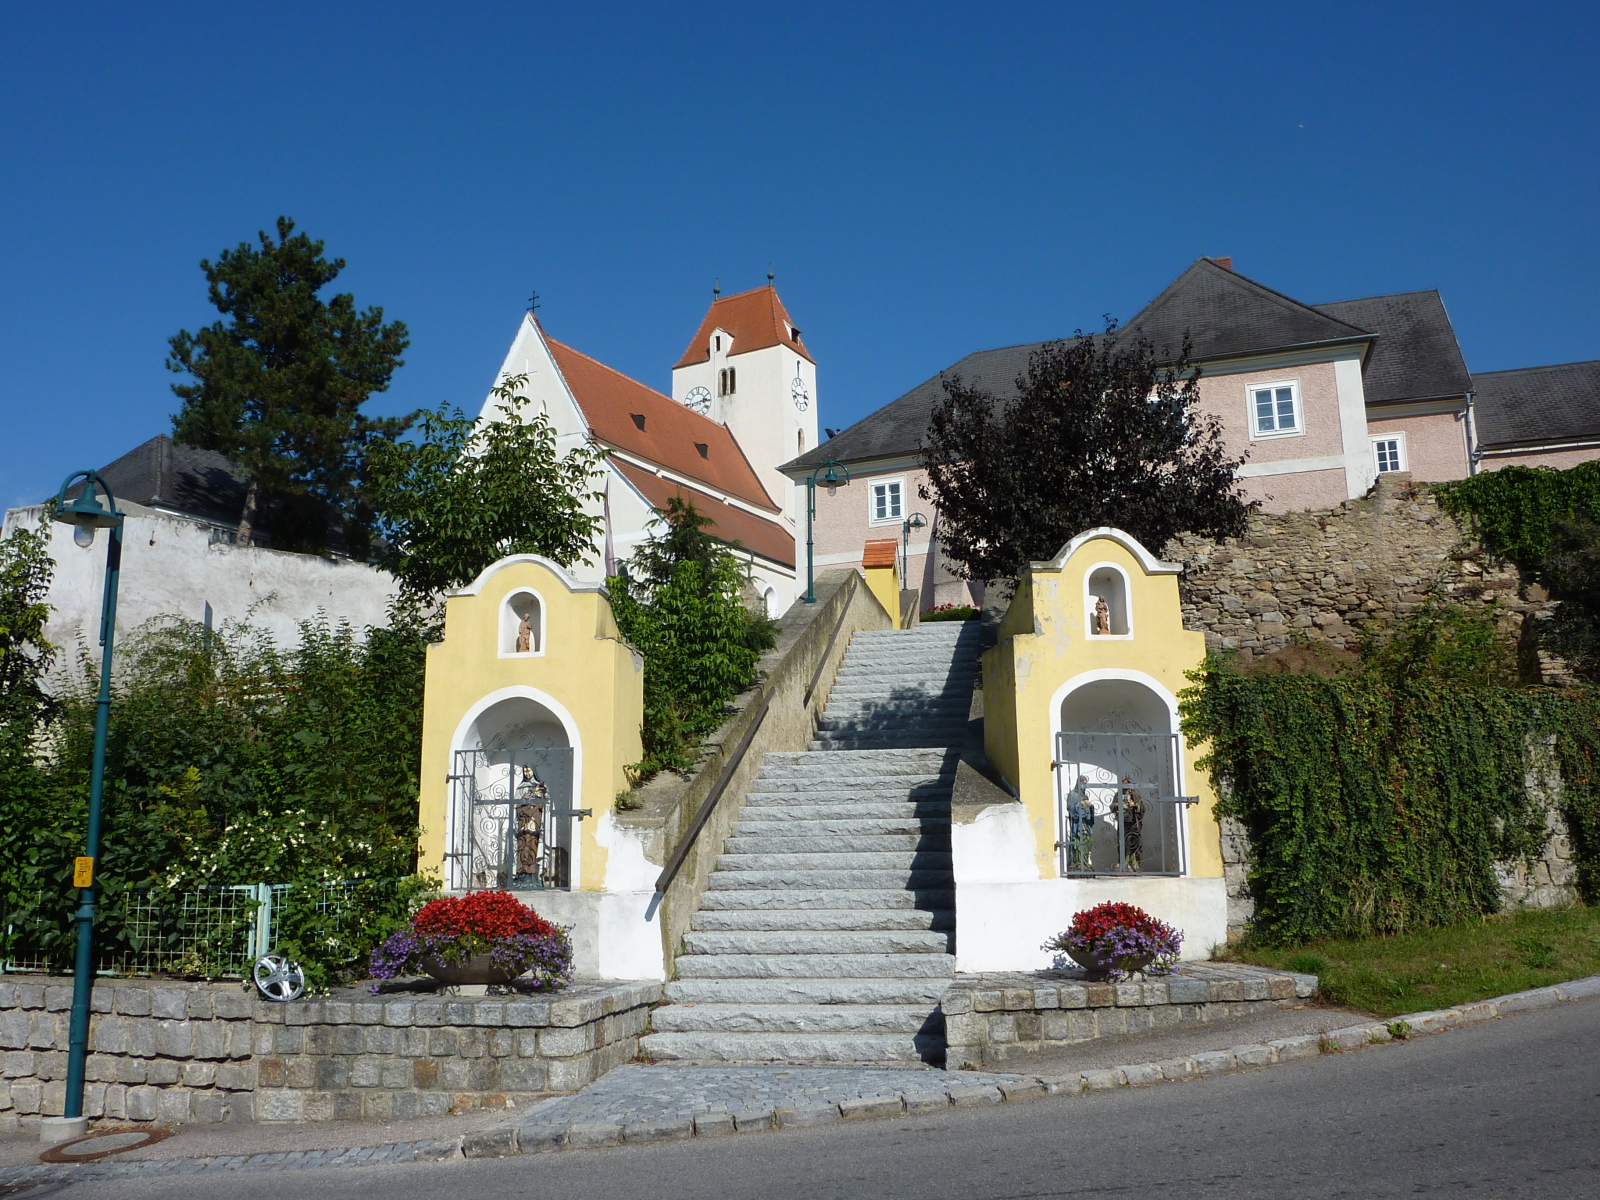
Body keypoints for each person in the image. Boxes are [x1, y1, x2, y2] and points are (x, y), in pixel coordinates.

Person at [1065, 775, 1094, 871]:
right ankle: (1077, 862)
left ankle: (1085, 862)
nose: (1084, 785)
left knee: (1088, 840)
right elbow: (1070, 808)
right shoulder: (1072, 794)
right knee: (1078, 841)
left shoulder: (1085, 796)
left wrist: (1090, 806)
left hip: (1086, 823)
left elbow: (1090, 811)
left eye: (1085, 784)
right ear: (1078, 783)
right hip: (1077, 823)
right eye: (1082, 783)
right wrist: (1078, 805)